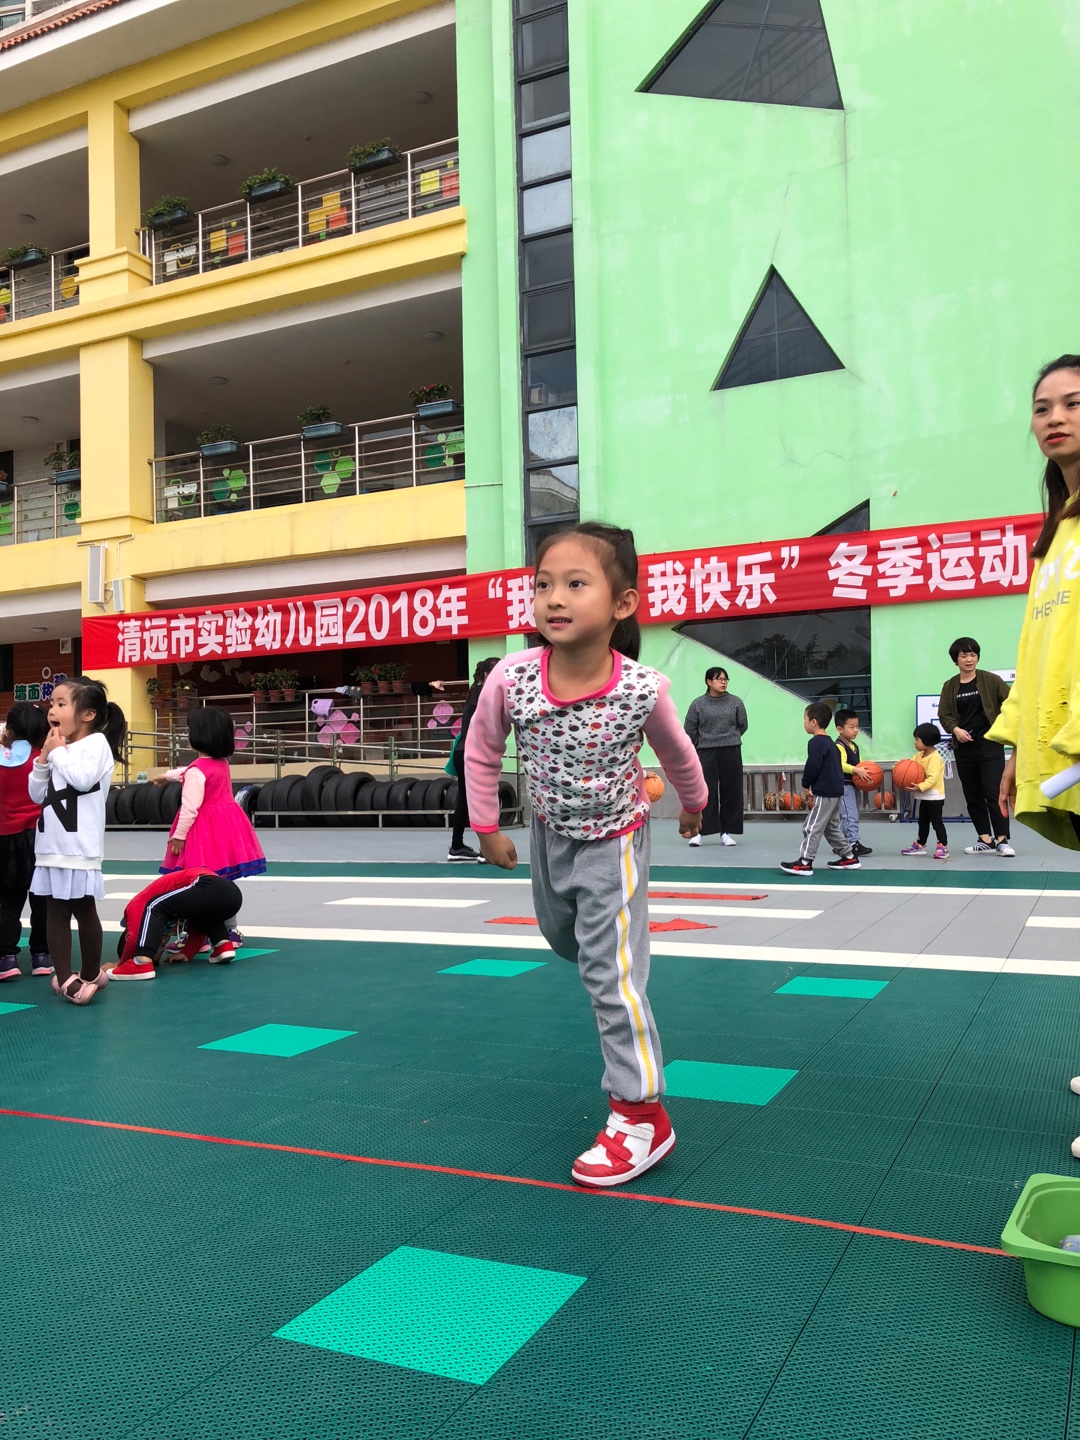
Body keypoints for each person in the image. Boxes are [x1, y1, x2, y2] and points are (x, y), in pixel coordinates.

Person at [464, 521, 707, 1188]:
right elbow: (481, 749)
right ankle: (607, 958)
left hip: (615, 841)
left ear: (622, 604)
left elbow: (677, 753)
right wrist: (487, 826)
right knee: (562, 938)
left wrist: (694, 803)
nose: (554, 598)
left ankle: (640, 1113)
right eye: (543, 584)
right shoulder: (513, 677)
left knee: (610, 976)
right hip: (549, 836)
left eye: (576, 584)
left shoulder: (641, 689)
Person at [986, 356, 1080, 1158]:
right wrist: (1020, 744)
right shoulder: (1056, 536)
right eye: (1044, 406)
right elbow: (1035, 652)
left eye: (1075, 403)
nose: (1056, 417)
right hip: (1062, 753)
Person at [28, 677, 126, 1005]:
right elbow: (36, 794)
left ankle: (88, 974)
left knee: (84, 909)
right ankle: (67, 976)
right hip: (51, 844)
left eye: (61, 704)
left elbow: (82, 780)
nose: (52, 711)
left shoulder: (96, 744)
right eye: (51, 704)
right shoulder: (60, 750)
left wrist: (57, 754)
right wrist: (43, 759)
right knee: (55, 911)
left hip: (79, 845)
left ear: (87, 714)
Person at [156, 707, 266, 881]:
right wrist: (167, 775)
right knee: (220, 863)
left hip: (203, 826)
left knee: (198, 870)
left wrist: (179, 835)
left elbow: (189, 808)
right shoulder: (222, 762)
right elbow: (190, 771)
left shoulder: (196, 771)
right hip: (226, 822)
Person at [938, 637, 1013, 856]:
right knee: (972, 795)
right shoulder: (950, 686)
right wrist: (955, 730)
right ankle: (985, 839)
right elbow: (944, 714)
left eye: (973, 654)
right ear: (956, 660)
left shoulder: (991, 680)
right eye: (964, 655)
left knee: (994, 793)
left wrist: (1004, 727)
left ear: (977, 657)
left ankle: (1002, 840)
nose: (969, 659)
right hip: (964, 748)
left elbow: (1011, 703)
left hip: (990, 745)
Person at [110, 868, 244, 980]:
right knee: (198, 914)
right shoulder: (182, 904)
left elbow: (135, 937)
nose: (164, 940)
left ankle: (140, 963)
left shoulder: (136, 906)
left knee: (153, 907)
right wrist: (187, 953)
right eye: (162, 946)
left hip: (210, 885)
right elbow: (197, 924)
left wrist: (122, 964)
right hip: (231, 895)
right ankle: (223, 946)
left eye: (157, 944)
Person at [0, 702, 51, 980]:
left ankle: (6, 958)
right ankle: (42, 955)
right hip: (40, 836)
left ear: (9, 728)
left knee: (8, 900)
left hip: (5, 837)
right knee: (43, 899)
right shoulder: (43, 759)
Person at [780, 703, 861, 876]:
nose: (804, 723)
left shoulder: (816, 742)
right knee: (830, 828)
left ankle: (805, 861)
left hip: (825, 793)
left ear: (814, 722)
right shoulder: (831, 743)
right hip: (836, 791)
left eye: (805, 719)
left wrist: (806, 783)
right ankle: (848, 856)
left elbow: (813, 766)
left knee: (811, 826)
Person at [682, 667, 747, 848]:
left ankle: (726, 832)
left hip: (731, 750)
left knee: (731, 792)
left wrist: (730, 738)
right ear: (709, 682)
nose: (723, 682)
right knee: (705, 792)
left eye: (725, 679)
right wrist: (700, 743)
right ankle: (699, 833)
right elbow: (690, 729)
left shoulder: (735, 702)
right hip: (706, 751)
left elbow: (743, 725)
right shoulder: (698, 704)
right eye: (719, 679)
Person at [446, 657, 500, 862]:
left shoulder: (477, 693)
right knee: (480, 800)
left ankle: (457, 846)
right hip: (472, 753)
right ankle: (486, 850)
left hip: (465, 751)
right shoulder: (483, 693)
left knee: (466, 800)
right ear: (487, 675)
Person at [899, 724, 949, 859]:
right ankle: (920, 844)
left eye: (917, 739)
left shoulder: (934, 758)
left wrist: (919, 786)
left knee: (937, 822)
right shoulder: (919, 756)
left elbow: (933, 779)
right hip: (925, 796)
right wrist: (900, 765)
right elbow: (909, 768)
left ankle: (943, 845)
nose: (914, 742)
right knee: (923, 821)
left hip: (935, 797)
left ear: (927, 740)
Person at [834, 707, 874, 857]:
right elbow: (841, 765)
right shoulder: (839, 746)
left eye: (857, 726)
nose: (856, 730)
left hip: (853, 785)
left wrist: (868, 769)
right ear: (839, 729)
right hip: (844, 786)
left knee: (851, 813)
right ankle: (853, 843)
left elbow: (859, 763)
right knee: (850, 815)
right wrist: (857, 770)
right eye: (851, 727)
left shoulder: (853, 746)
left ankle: (840, 843)